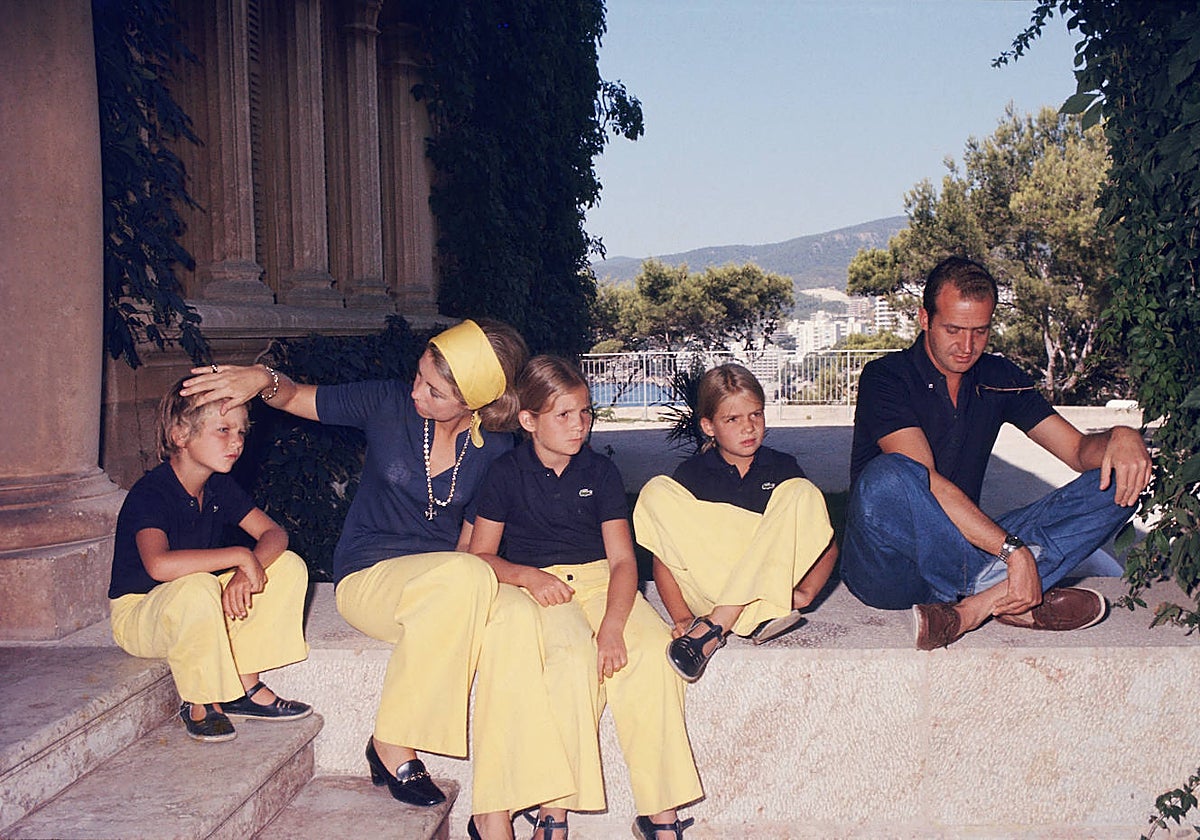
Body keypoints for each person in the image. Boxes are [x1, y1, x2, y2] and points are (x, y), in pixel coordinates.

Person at [181, 320, 573, 816]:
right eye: (418, 376)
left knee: (517, 620)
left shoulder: (494, 448)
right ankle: (393, 743)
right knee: (469, 576)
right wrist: (261, 379)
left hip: (444, 591)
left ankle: (501, 809)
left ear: (472, 403)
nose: (416, 392)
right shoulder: (388, 404)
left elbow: (472, 547)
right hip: (369, 578)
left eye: (432, 390)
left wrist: (513, 582)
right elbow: (297, 397)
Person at [841, 256, 1152, 650]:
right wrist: (1014, 552)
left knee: (1119, 482)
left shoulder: (999, 378)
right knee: (888, 476)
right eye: (953, 330)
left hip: (972, 547)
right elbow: (922, 484)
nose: (967, 346)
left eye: (980, 332)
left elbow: (1076, 450)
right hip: (888, 567)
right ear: (924, 319)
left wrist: (1122, 437)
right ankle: (1001, 595)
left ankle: (973, 608)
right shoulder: (886, 377)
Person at [468, 356, 702, 840]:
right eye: (564, 416)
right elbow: (481, 557)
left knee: (653, 659)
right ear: (529, 421)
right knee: (572, 662)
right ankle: (555, 811)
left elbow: (622, 562)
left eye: (585, 413)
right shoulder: (505, 473)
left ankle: (660, 814)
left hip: (602, 582)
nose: (579, 426)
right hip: (541, 586)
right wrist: (527, 577)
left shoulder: (601, 471)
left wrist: (614, 626)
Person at [108, 377, 312, 743]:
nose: (236, 441)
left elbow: (275, 534)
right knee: (199, 584)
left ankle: (244, 686)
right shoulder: (151, 492)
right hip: (141, 616)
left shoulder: (217, 486)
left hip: (195, 605)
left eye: (241, 431)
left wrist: (243, 570)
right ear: (180, 435)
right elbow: (159, 565)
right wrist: (238, 556)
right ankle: (201, 700)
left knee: (288, 566)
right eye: (223, 430)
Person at [632, 363, 838, 682]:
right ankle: (753, 616)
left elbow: (825, 542)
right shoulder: (692, 475)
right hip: (710, 590)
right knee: (655, 492)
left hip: (764, 588)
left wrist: (806, 594)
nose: (748, 428)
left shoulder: (782, 467)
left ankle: (717, 626)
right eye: (733, 419)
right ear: (709, 425)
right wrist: (683, 617)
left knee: (802, 493)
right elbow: (665, 557)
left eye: (756, 415)